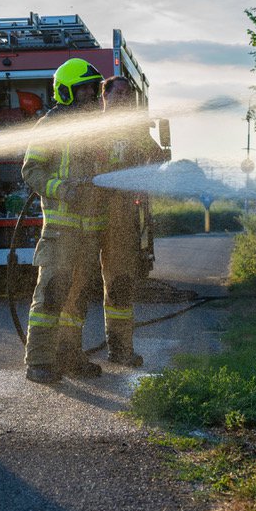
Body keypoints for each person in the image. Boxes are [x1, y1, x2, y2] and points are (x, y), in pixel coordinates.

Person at [21, 58, 109, 384]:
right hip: (61, 230)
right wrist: (61, 188)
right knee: (52, 294)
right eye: (83, 89)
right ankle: (38, 362)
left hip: (88, 231)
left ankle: (69, 357)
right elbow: (31, 170)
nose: (90, 95)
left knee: (78, 299)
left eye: (92, 89)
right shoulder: (50, 126)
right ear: (67, 91)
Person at [98, 75, 164, 367]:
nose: (124, 99)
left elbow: (155, 156)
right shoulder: (89, 127)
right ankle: (68, 354)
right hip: (87, 217)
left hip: (122, 219)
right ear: (105, 95)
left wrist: (145, 175)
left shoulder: (135, 129)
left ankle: (121, 350)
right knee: (73, 288)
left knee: (120, 285)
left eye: (128, 94)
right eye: (119, 93)